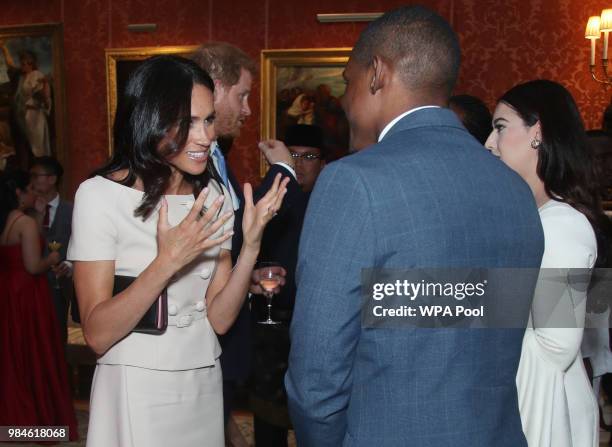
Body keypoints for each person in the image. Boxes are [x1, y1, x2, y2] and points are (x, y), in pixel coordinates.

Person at [285, 6, 544, 447]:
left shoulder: (353, 182)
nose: (345, 101)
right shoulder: (515, 190)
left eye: (348, 82)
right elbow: (475, 319)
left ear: (377, 74)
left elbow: (317, 379)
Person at [67, 55, 288, 447]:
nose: (206, 136)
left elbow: (219, 319)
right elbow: (97, 334)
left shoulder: (214, 193)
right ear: (150, 119)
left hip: (202, 379)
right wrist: (168, 260)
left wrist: (251, 245)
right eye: (188, 122)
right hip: (135, 387)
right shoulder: (99, 196)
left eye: (207, 120)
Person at [485, 79, 612, 447]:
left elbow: (556, 346)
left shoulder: (562, 224)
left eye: (500, 127)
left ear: (537, 132)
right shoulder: (536, 217)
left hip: (544, 408)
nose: (489, 143)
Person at [191, 42, 301, 436]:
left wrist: (245, 279)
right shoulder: (191, 161)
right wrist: (284, 167)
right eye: (243, 95)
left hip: (223, 329)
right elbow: (232, 231)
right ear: (216, 87)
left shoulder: (217, 154)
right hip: (201, 338)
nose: (248, 108)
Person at [249, 124, 326, 446]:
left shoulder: (332, 204)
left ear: (322, 164)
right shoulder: (266, 200)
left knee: (317, 417)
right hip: (270, 323)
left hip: (316, 325)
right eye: (293, 156)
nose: (300, 163)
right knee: (269, 422)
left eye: (309, 157)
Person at [0, 170, 78, 439]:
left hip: (8, 291)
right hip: (28, 294)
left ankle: (12, 419)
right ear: (19, 193)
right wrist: (54, 257)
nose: (35, 193)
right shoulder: (25, 223)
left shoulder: (7, 221)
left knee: (13, 352)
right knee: (36, 350)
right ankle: (37, 419)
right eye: (30, 188)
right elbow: (34, 266)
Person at [29, 156, 72, 342]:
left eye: (35, 175)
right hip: (31, 288)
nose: (31, 180)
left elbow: (79, 245)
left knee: (57, 338)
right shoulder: (26, 212)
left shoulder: (72, 210)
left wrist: (69, 265)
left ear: (52, 179)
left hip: (61, 290)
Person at [0, 42, 52, 158]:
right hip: (24, 113)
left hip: (35, 114)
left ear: (31, 63)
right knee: (26, 144)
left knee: (37, 145)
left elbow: (44, 96)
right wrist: (4, 49)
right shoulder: (21, 77)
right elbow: (10, 65)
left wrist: (44, 84)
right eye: (22, 62)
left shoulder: (37, 75)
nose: (23, 65)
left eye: (26, 62)